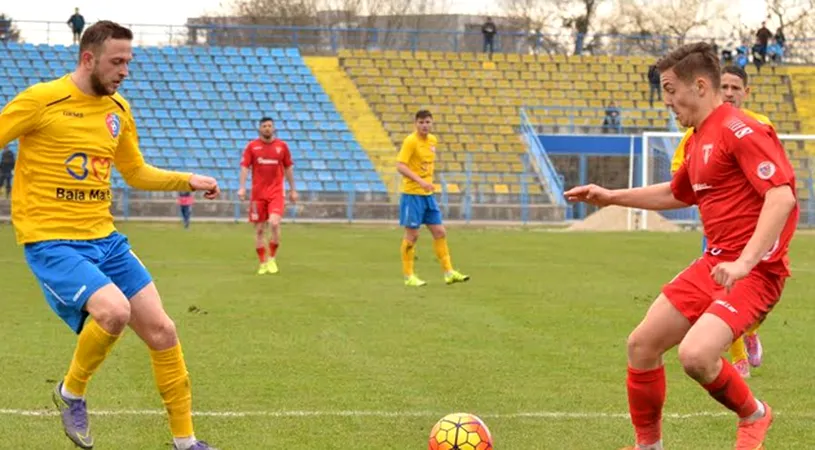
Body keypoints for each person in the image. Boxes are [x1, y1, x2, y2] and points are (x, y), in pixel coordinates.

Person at [565, 42, 798, 450]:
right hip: (715, 264)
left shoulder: (741, 129)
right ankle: (648, 446)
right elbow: (678, 194)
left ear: (701, 85)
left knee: (696, 355)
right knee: (642, 344)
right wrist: (611, 196)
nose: (667, 101)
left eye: (671, 90)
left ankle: (755, 415)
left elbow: (781, 197)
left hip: (755, 272)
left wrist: (745, 262)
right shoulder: (695, 140)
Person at [0, 21, 220, 450]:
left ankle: (186, 442)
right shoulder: (41, 100)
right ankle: (71, 393)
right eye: (117, 61)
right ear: (88, 58)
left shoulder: (117, 109)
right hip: (52, 240)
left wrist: (187, 178)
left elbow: (134, 172)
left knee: (163, 331)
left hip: (105, 239)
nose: (124, 71)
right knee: (113, 312)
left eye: (128, 62)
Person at [670, 65, 771, 379]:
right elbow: (679, 180)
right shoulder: (694, 134)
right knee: (724, 290)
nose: (729, 93)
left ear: (746, 93)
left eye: (735, 88)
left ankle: (750, 330)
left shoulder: (760, 126)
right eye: (724, 86)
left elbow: (773, 178)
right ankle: (737, 357)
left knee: (756, 295)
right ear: (714, 89)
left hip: (758, 231)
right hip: (719, 234)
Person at [397, 110, 469, 287]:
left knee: (440, 232)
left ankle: (449, 272)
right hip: (412, 194)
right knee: (412, 235)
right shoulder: (410, 141)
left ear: (432, 123)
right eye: (421, 122)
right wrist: (420, 181)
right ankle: (409, 277)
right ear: (416, 123)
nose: (425, 125)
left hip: (428, 195)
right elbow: (400, 165)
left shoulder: (432, 141)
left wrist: (427, 183)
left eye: (428, 122)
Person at [238, 117, 297, 275]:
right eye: (264, 126)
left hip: (276, 193)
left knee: (275, 223)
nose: (267, 128)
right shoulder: (252, 146)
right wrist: (242, 188)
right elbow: (244, 167)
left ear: (274, 128)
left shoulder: (282, 147)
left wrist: (293, 189)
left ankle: (272, 258)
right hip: (258, 195)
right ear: (260, 129)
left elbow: (288, 168)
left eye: (270, 126)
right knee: (259, 230)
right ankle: (263, 263)